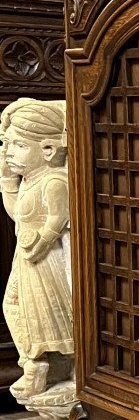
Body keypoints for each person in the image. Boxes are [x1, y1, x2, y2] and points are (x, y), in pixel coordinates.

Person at [0, 98, 73, 400]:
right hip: (28, 259)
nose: (8, 152)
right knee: (14, 307)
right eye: (6, 145)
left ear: (48, 150)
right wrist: (7, 179)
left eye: (17, 145)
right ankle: (34, 361)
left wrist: (42, 241)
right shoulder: (30, 180)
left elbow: (60, 217)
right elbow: (18, 213)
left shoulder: (55, 180)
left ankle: (51, 365)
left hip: (48, 261)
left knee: (56, 314)